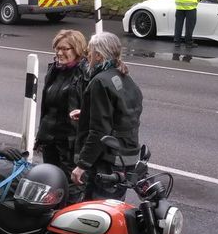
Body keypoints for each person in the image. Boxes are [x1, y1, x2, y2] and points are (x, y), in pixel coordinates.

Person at [72, 32, 143, 201]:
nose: (87, 55)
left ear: (98, 55)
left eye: (90, 51)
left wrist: (82, 165)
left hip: (108, 160)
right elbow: (124, 113)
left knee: (97, 215)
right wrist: (87, 112)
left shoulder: (100, 81)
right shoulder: (125, 76)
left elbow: (99, 132)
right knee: (115, 208)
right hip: (128, 156)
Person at [36, 29, 87, 179]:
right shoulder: (54, 70)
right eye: (57, 48)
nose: (59, 53)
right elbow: (46, 107)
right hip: (49, 140)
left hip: (69, 144)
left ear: (77, 49)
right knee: (50, 181)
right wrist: (41, 136)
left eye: (64, 49)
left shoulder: (85, 74)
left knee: (69, 184)